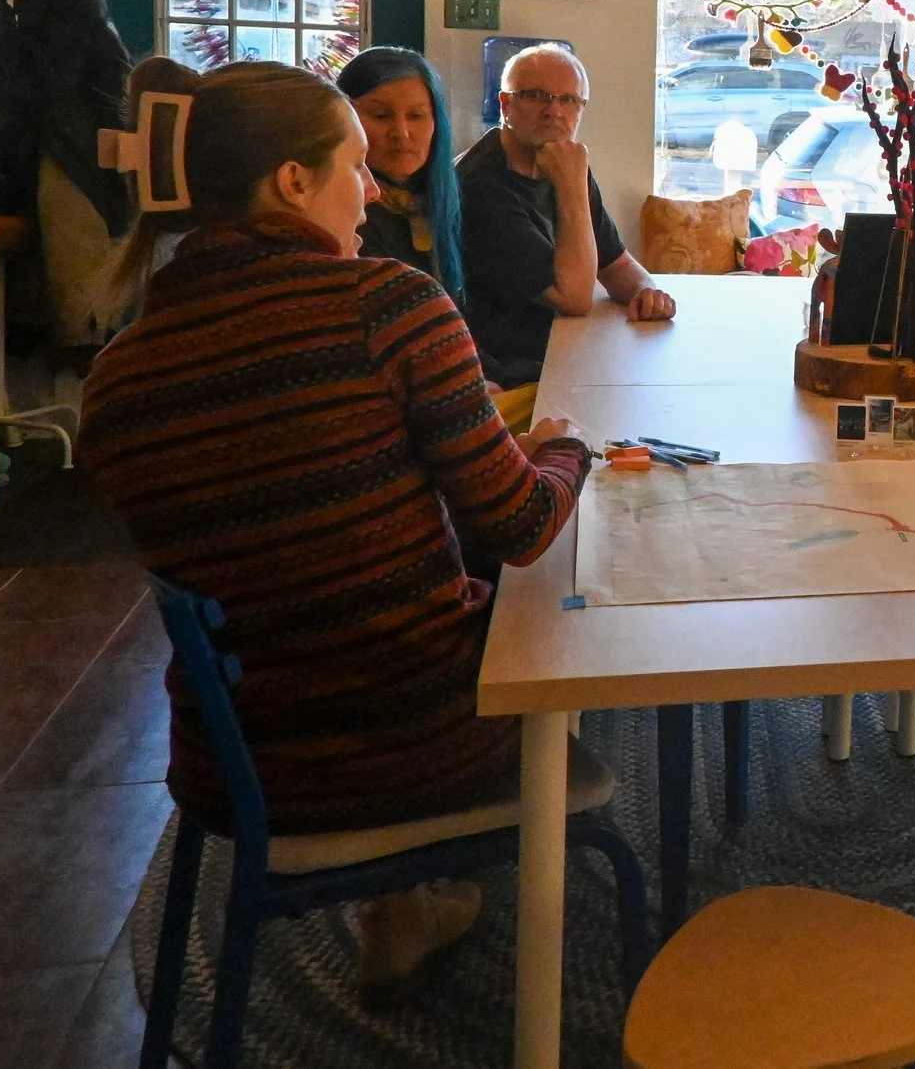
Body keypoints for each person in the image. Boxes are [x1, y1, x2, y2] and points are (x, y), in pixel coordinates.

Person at [79, 58, 595, 994]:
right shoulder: (388, 307)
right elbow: (522, 523)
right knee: (573, 611)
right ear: (292, 182)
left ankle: (398, 911)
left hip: (237, 762)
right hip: (415, 741)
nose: (375, 189)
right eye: (356, 164)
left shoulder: (117, 375)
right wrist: (564, 450)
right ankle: (421, 902)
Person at [456, 43, 674, 401]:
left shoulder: (563, 164)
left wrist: (646, 291)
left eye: (568, 100)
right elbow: (571, 297)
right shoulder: (479, 183)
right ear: (505, 105)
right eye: (536, 96)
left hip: (564, 353)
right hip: (507, 378)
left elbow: (616, 263)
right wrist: (572, 186)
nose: (553, 111)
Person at [337, 45, 468, 302]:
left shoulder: (446, 199)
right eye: (381, 115)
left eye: (416, 116)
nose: (401, 132)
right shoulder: (342, 216)